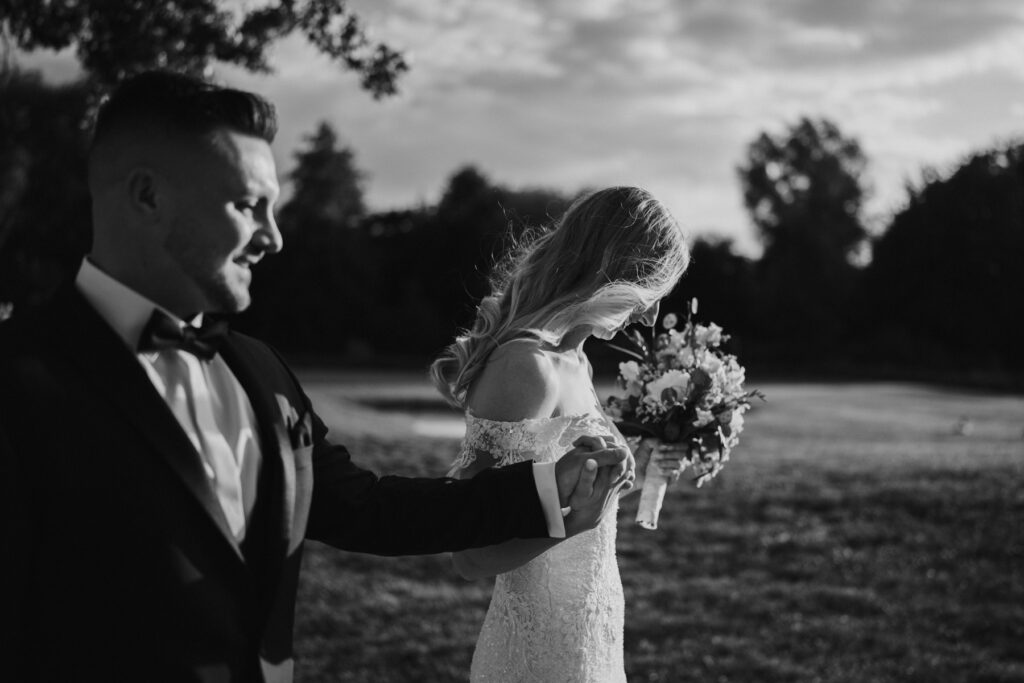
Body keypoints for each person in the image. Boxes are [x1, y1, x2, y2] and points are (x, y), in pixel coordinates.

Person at [0, 71, 633, 683]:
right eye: (248, 206)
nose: (273, 237)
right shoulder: (19, 381)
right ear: (148, 196)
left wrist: (547, 490)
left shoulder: (259, 372)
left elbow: (369, 510)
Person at [430, 186, 691, 681]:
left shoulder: (578, 361)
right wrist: (574, 525)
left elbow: (564, 485)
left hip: (592, 640)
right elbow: (469, 555)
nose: (651, 315)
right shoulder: (525, 368)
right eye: (651, 295)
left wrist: (640, 467)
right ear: (614, 274)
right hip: (535, 657)